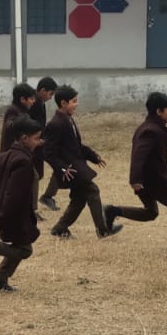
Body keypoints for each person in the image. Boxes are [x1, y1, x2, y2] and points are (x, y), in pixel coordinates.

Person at [105, 92, 167, 259]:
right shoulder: (151, 131)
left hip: (147, 181)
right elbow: (138, 156)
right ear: (158, 112)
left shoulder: (150, 127)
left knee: (150, 212)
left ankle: (113, 211)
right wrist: (135, 179)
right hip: (154, 181)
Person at [0, 117, 45, 292]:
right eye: (36, 138)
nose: (39, 142)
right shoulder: (23, 162)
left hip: (4, 211)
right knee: (24, 250)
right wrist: (7, 215)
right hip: (14, 215)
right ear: (24, 138)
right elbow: (14, 194)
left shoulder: (3, 157)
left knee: (21, 246)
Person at [43, 86, 122, 240]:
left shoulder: (68, 119)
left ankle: (59, 228)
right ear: (63, 103)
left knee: (79, 200)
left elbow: (76, 145)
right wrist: (63, 168)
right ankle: (103, 230)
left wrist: (93, 157)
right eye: (74, 101)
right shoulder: (55, 124)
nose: (77, 104)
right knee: (92, 191)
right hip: (72, 170)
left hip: (77, 166)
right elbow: (48, 153)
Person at [0, 82, 38, 215]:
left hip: (18, 153)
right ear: (22, 99)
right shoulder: (13, 110)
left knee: (12, 180)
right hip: (11, 152)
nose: (33, 101)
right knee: (32, 176)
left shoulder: (23, 111)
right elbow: (10, 125)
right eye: (31, 99)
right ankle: (31, 209)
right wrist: (20, 123)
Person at [31, 77, 62, 210]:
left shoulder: (39, 101)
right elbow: (31, 124)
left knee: (38, 174)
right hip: (36, 143)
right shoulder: (33, 102)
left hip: (41, 142)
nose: (51, 97)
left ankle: (47, 197)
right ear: (43, 90)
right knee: (33, 176)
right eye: (50, 94)